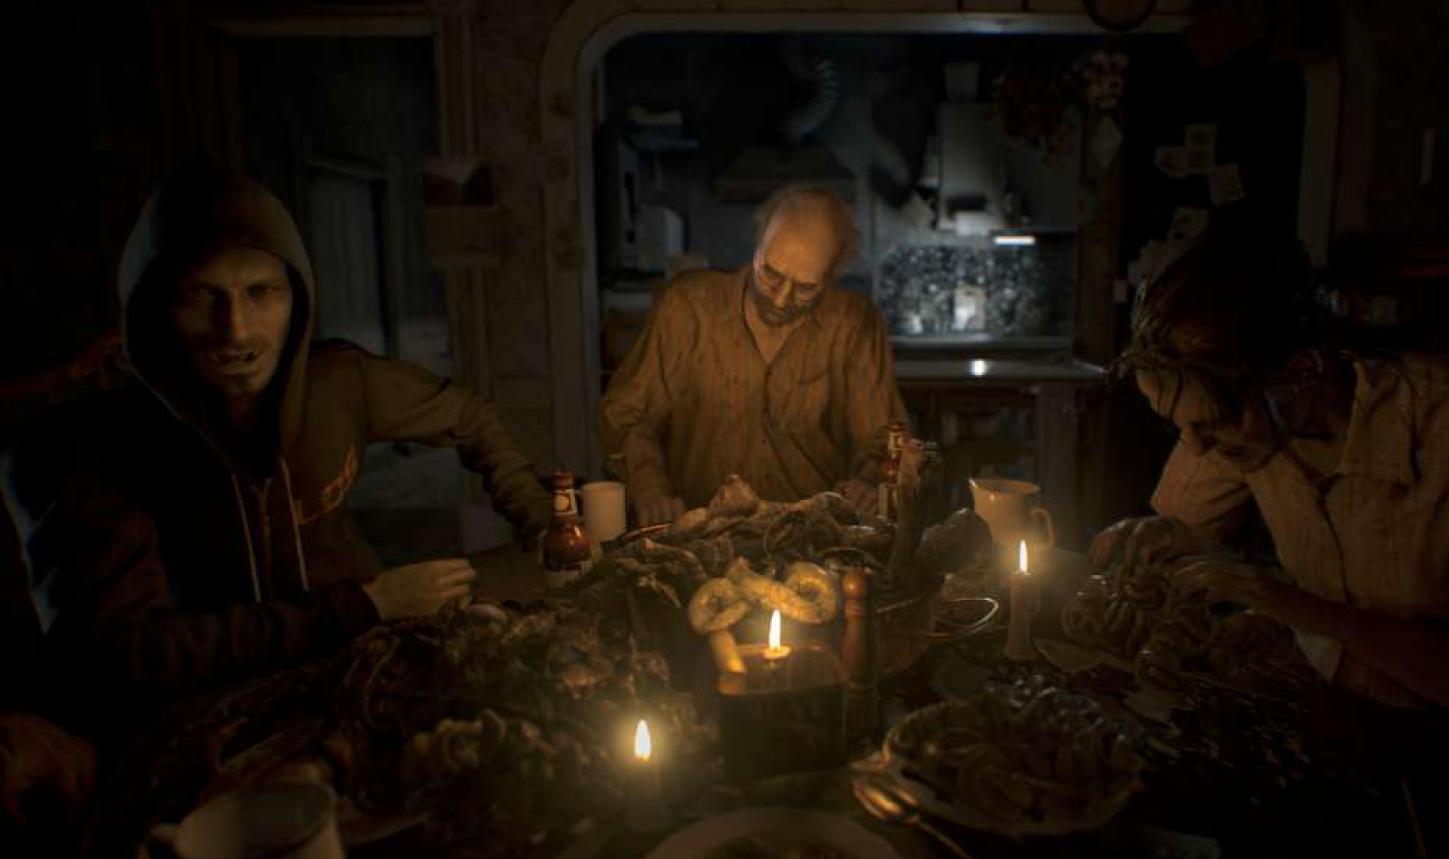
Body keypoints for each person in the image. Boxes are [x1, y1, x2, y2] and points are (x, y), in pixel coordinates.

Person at [1091, 229, 1449, 859]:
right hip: (1329, 722)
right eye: (1176, 425)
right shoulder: (1239, 408)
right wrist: (1142, 543)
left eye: (1208, 427)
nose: (1197, 447)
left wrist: (1297, 606)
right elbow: (1175, 530)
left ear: (1301, 372)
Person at [25, 165, 552, 739]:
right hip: (216, 717)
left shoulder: (339, 383)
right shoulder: (95, 445)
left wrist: (538, 516)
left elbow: (469, 416)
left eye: (261, 292)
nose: (235, 331)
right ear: (152, 308)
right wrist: (364, 605)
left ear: (297, 300)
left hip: (365, 666)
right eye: (200, 296)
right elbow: (129, 655)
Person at [599, 185, 906, 525]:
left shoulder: (854, 323)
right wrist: (648, 487)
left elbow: (884, 438)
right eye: (770, 273)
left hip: (813, 538)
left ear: (833, 276)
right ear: (758, 242)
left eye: (806, 288)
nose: (781, 299)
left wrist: (870, 480)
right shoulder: (687, 308)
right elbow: (625, 414)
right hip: (700, 534)